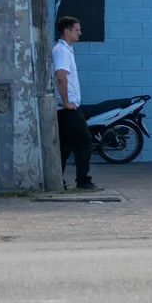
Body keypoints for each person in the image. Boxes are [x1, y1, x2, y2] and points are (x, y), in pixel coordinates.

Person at [53, 15, 96, 190]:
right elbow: (61, 76)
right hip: (68, 108)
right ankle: (83, 180)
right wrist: (66, 102)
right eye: (77, 29)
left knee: (64, 145)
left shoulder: (65, 50)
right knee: (84, 140)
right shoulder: (61, 51)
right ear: (67, 31)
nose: (80, 32)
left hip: (67, 107)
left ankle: (57, 180)